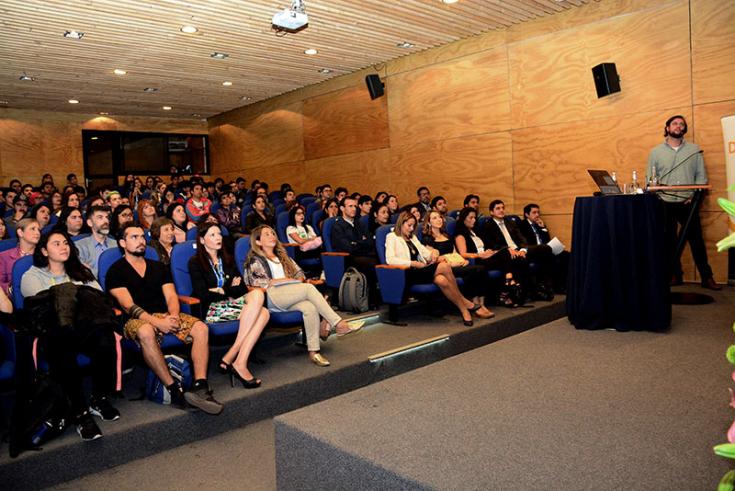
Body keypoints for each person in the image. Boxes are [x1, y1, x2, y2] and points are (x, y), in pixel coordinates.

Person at [106, 223, 223, 414]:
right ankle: (173, 390)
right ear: (122, 242)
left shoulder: (158, 266)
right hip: (134, 320)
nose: (141, 241)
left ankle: (200, 386)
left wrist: (175, 316)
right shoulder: (116, 271)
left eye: (142, 237)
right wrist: (158, 323)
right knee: (145, 331)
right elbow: (128, 306)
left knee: (201, 328)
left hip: (165, 314)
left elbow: (171, 296)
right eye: (134, 237)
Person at [21, 230, 120, 441]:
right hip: (55, 332)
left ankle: (98, 397)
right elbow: (41, 309)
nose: (64, 247)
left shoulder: (81, 271)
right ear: (44, 251)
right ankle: (80, 412)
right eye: (56, 244)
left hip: (84, 328)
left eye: (65, 243)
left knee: (105, 338)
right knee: (61, 348)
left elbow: (98, 299)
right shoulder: (31, 276)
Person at [243, 225, 362, 367]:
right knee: (308, 288)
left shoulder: (283, 256)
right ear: (258, 242)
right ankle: (338, 323)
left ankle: (314, 352)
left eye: (273, 233)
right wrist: (286, 281)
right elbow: (261, 284)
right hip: (270, 297)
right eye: (267, 234)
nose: (272, 236)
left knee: (309, 307)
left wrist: (289, 281)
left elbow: (300, 275)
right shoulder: (255, 260)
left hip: (290, 294)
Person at [188, 222, 269, 388]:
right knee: (263, 313)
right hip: (210, 310)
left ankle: (236, 358)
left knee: (258, 295)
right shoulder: (195, 262)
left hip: (230, 304)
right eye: (212, 235)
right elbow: (203, 294)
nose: (218, 237)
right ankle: (235, 359)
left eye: (219, 234)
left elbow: (240, 289)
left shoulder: (227, 259)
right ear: (202, 240)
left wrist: (221, 290)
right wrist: (228, 289)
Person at [647, 115, 721, 290]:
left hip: (688, 202)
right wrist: (657, 195)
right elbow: (650, 178)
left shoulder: (694, 150)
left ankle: (706, 277)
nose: (678, 126)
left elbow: (701, 177)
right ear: (667, 128)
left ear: (684, 129)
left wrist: (693, 197)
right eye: (674, 123)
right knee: (668, 240)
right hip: (664, 202)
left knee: (696, 241)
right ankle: (674, 275)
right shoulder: (655, 152)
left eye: (682, 124)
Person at [386, 212, 493, 326]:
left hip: (422, 269)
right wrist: (412, 263)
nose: (411, 229)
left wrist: (432, 256)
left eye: (413, 226)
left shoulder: (412, 237)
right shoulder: (392, 237)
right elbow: (390, 259)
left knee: (441, 279)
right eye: (409, 225)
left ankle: (464, 311)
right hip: (407, 273)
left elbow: (424, 252)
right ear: (401, 224)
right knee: (444, 265)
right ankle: (465, 302)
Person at [422, 211, 494, 313]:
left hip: (456, 264)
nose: (438, 219)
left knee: (480, 269)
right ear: (428, 222)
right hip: (445, 269)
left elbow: (455, 252)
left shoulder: (446, 235)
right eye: (434, 218)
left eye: (439, 217)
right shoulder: (427, 239)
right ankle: (475, 304)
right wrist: (450, 261)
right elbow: (432, 259)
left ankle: (481, 304)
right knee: (476, 270)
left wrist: (463, 260)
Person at [480, 200, 554, 300]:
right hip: (506, 253)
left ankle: (546, 285)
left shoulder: (510, 222)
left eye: (502, 208)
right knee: (521, 260)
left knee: (546, 249)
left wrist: (523, 249)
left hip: (520, 249)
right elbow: (491, 245)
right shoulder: (487, 226)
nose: (501, 210)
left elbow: (521, 238)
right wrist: (508, 249)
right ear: (491, 212)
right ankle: (533, 292)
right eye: (498, 208)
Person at [454, 207, 521, 306]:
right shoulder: (460, 235)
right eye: (471, 218)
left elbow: (484, 248)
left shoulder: (475, 232)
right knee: (506, 254)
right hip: (477, 260)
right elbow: (462, 254)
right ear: (463, 219)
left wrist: (491, 252)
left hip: (486, 257)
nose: (474, 220)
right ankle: (508, 282)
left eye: (475, 218)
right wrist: (479, 255)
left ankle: (505, 289)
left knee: (510, 255)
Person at [331, 196, 380, 307]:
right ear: (342, 208)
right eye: (350, 206)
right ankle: (371, 300)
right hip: (347, 259)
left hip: (364, 255)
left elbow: (370, 242)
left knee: (380, 259)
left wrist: (356, 243)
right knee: (372, 264)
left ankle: (380, 296)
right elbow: (347, 248)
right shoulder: (337, 226)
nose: (354, 209)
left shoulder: (360, 223)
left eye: (355, 206)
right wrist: (361, 242)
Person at [519, 203, 569, 293]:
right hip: (533, 251)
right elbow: (524, 243)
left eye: (538, 212)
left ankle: (564, 285)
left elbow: (547, 241)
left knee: (566, 255)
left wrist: (543, 228)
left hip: (545, 249)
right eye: (534, 212)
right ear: (527, 214)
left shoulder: (538, 224)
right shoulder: (522, 225)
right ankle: (556, 287)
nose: (537, 215)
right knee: (553, 259)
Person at [75, 205, 117, 279]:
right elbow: (81, 273)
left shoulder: (116, 245)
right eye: (100, 217)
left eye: (107, 217)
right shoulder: (80, 246)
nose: (106, 221)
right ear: (90, 223)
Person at [0, 218, 40, 293]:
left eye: (38, 230)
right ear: (20, 232)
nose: (37, 233)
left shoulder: (45, 255)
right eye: (33, 229)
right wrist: (11, 289)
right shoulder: (3, 257)